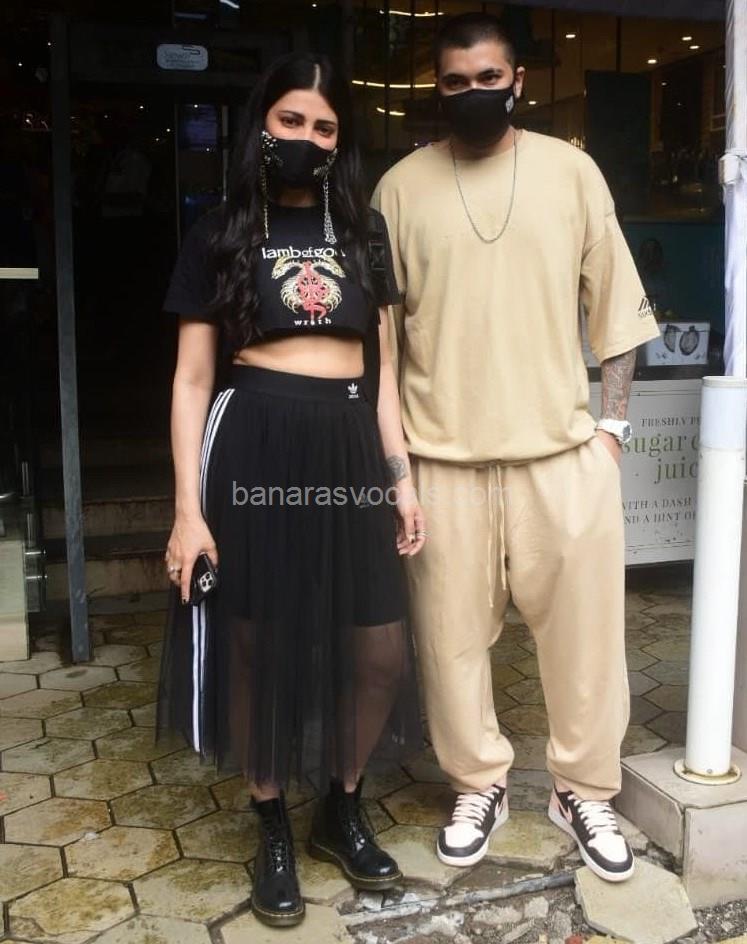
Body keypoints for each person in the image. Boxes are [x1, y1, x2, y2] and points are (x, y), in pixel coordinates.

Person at [372, 13, 660, 884]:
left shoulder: (571, 172)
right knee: (449, 644)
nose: (472, 93)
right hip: (441, 462)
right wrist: (396, 470)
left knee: (586, 643)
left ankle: (583, 791)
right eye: (455, 81)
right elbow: (382, 347)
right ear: (436, 87)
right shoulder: (398, 189)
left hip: (560, 460)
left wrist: (610, 433)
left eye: (487, 78)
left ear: (517, 81)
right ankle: (477, 783)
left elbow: (617, 309)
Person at [156, 52, 424, 928]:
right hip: (254, 440)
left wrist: (399, 477)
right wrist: (188, 512)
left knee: (377, 649)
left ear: (340, 141)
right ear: (261, 126)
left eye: (324, 127)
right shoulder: (220, 231)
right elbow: (192, 379)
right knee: (256, 642)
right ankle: (270, 817)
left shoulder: (363, 231)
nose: (306, 138)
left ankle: (339, 806)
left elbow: (381, 373)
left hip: (347, 447)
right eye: (291, 121)